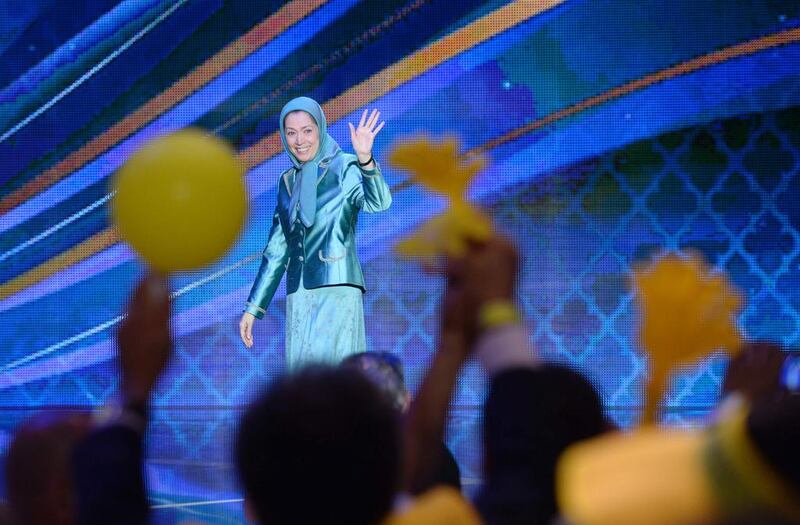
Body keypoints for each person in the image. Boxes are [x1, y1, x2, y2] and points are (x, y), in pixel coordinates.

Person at [238, 97, 391, 369]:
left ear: (320, 128)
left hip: (337, 287)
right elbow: (276, 251)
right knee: (302, 378)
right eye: (291, 132)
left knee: (336, 381)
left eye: (307, 130)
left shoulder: (345, 166)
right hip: (299, 293)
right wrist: (253, 308)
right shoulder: (287, 182)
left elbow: (379, 203)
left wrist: (366, 161)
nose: (300, 141)